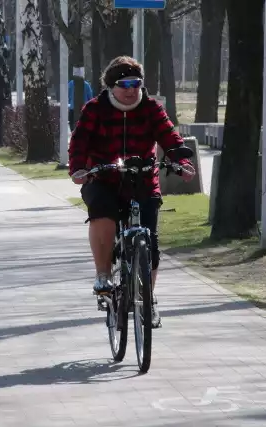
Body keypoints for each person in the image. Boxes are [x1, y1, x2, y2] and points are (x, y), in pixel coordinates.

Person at [68, 56, 195, 328]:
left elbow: (170, 137)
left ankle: (148, 300)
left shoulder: (151, 109)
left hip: (142, 179)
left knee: (151, 242)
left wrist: (181, 161)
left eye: (136, 83)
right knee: (103, 213)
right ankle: (103, 276)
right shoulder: (95, 109)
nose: (130, 89)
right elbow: (79, 142)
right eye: (123, 84)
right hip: (102, 177)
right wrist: (79, 168)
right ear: (111, 86)